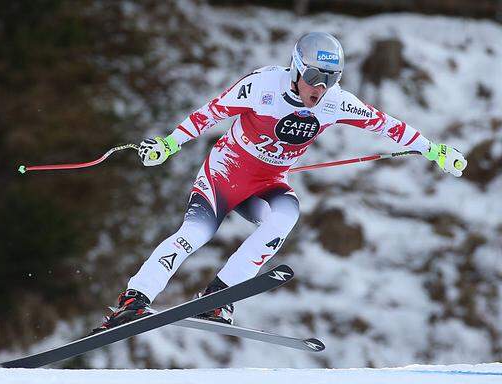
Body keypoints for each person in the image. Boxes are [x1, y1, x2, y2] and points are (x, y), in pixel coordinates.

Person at [92, 32, 467, 333]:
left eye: (330, 78)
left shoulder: (336, 102)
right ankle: (133, 299)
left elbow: (388, 125)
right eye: (314, 76)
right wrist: (168, 144)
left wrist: (434, 151)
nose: (319, 87)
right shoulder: (261, 86)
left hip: (267, 182)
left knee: (285, 217)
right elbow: (210, 113)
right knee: (195, 234)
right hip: (224, 174)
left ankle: (220, 297)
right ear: (296, 68)